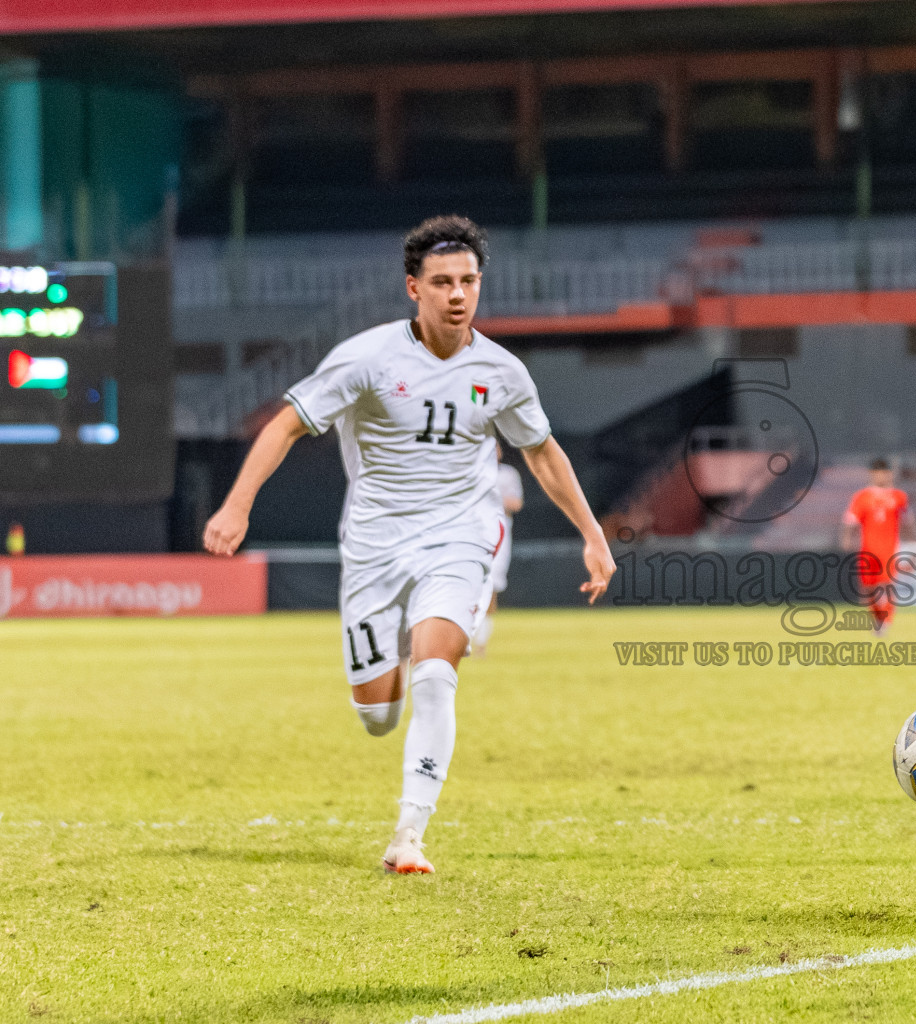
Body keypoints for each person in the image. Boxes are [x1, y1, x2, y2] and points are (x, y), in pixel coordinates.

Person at [203, 215, 614, 875]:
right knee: (377, 714)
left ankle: (408, 835)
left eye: (470, 281)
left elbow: (542, 452)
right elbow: (285, 426)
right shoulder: (366, 359)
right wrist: (236, 504)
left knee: (435, 676)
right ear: (412, 289)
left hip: (458, 537)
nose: (458, 294)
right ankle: (393, 649)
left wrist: (593, 536)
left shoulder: (501, 372)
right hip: (374, 545)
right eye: (443, 282)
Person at [839, 457, 916, 635]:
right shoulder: (862, 497)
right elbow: (850, 521)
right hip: (867, 550)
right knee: (868, 588)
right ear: (871, 474)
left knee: (887, 585)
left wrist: (914, 545)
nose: (880, 476)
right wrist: (846, 538)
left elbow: (909, 523)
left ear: (889, 474)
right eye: (877, 473)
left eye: (883, 473)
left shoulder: (899, 497)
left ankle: (887, 621)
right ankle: (877, 618)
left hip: (889, 549)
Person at [467, 444, 525, 657]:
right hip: (472, 530)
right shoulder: (470, 471)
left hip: (500, 528)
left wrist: (493, 497)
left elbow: (516, 503)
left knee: (492, 585)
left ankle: (481, 642)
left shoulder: (508, 474)